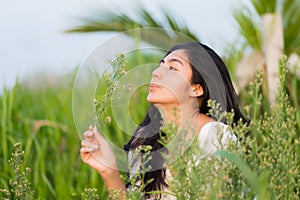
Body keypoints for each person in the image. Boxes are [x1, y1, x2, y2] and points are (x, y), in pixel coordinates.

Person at [80, 42, 249, 199]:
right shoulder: (146, 140)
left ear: (195, 89)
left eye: (173, 68)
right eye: (161, 65)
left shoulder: (214, 135)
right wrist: (108, 170)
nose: (156, 72)